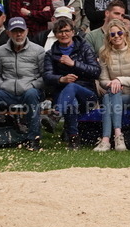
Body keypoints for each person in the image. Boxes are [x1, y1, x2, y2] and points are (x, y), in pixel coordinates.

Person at [0, 17, 46, 150]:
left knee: (32, 94)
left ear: (26, 31)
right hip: (6, 92)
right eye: (15, 31)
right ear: (8, 33)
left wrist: (32, 86)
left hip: (29, 91)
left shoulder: (38, 50)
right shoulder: (0, 51)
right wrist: (1, 85)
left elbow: (44, 76)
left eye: (21, 31)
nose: (18, 34)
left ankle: (33, 139)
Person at [43, 17, 101, 149]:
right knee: (71, 101)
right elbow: (47, 76)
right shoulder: (51, 54)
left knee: (73, 86)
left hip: (87, 94)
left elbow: (96, 71)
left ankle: (56, 115)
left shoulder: (85, 48)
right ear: (55, 34)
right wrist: (60, 79)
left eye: (67, 31)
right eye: (60, 32)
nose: (64, 34)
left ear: (73, 32)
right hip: (62, 94)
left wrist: (74, 64)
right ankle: (74, 140)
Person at [93, 18, 130, 151]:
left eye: (119, 33)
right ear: (108, 37)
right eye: (112, 34)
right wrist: (112, 84)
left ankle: (106, 140)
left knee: (110, 97)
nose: (116, 37)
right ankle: (117, 137)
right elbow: (103, 80)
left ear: (125, 33)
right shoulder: (104, 51)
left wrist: (119, 80)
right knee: (111, 95)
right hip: (114, 93)